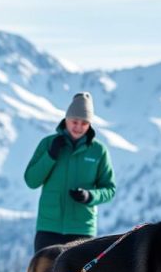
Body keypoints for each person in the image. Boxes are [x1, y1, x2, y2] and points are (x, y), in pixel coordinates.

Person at [24, 92, 116, 253]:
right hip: (48, 227)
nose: (78, 127)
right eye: (75, 121)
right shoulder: (48, 144)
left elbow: (109, 189)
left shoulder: (98, 151)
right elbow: (31, 181)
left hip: (81, 229)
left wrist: (90, 196)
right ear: (66, 119)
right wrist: (50, 156)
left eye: (84, 123)